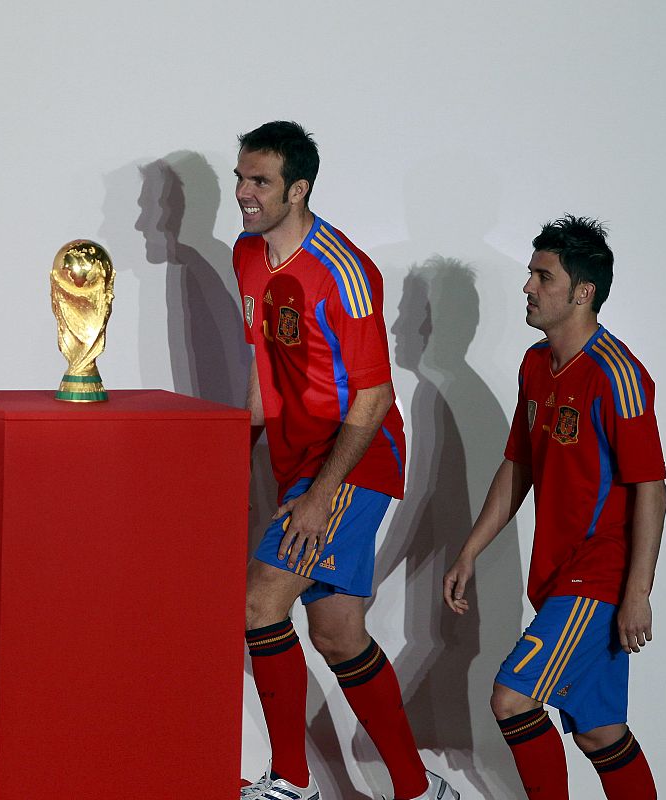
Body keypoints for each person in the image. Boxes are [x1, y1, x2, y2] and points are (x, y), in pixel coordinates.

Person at [233, 120, 458, 800]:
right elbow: (262, 372)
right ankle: (420, 791)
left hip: (355, 460)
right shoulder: (247, 255)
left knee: (259, 602)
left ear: (298, 189)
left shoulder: (345, 271)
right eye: (240, 177)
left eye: (260, 181)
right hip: (299, 463)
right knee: (337, 634)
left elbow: (375, 395)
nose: (244, 192)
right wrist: (232, 462)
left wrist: (319, 494)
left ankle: (291, 782)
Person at [443, 215, 665, 799]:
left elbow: (652, 487)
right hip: (556, 575)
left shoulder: (619, 375)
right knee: (599, 732)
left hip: (598, 577)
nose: (528, 287)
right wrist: (469, 551)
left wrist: (637, 592)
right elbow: (518, 465)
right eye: (531, 274)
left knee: (512, 698)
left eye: (543, 277)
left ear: (583, 292)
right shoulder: (535, 365)